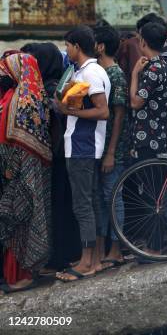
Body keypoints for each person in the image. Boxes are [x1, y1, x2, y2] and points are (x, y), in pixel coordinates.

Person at [20, 43, 80, 275]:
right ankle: (69, 252)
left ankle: (58, 257)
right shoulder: (62, 85)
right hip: (65, 153)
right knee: (66, 205)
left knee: (57, 207)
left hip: (54, 157)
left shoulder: (47, 89)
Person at [55, 26, 110, 282]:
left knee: (82, 204)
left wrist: (70, 113)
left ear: (77, 46)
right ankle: (94, 258)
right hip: (82, 144)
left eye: (67, 46)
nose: (66, 50)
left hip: (83, 145)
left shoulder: (92, 73)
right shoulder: (86, 71)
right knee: (91, 202)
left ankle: (88, 261)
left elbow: (103, 111)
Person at [0, 52, 52, 292]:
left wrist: (11, 168)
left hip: (21, 172)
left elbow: (20, 139)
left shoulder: (24, 99)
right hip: (15, 169)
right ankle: (12, 275)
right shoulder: (23, 94)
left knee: (21, 222)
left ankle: (23, 275)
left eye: (7, 69)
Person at [90, 26, 130, 270]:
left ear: (101, 46)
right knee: (102, 199)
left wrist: (111, 152)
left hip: (113, 147)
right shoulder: (102, 72)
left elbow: (119, 116)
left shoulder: (115, 75)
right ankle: (103, 248)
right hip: (101, 146)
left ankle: (115, 249)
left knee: (113, 197)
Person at [129, 22, 167, 162]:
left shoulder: (153, 69)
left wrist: (134, 74)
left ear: (143, 42)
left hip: (149, 137)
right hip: (161, 135)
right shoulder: (164, 64)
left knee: (150, 180)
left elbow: (135, 102)